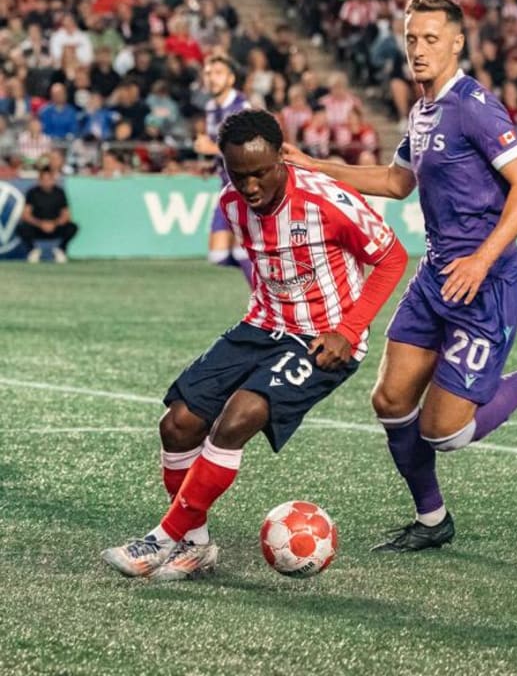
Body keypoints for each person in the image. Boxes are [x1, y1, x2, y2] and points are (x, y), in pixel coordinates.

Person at [283, 0, 517, 552]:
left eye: (431, 38)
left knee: (446, 431)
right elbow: (395, 181)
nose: (419, 49)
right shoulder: (423, 110)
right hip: (435, 277)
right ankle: (432, 520)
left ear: (457, 42)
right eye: (412, 39)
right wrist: (315, 167)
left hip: (486, 283)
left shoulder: (475, 106)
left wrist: (481, 259)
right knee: (389, 402)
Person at [101, 109, 407, 581]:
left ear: (282, 159)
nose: (249, 186)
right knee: (178, 424)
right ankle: (196, 545)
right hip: (261, 326)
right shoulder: (231, 203)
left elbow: (392, 258)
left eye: (261, 173)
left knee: (239, 415)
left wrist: (348, 331)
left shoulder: (326, 200)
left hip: (323, 339)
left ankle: (161, 538)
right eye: (238, 174)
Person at [193, 55, 253, 284]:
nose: (212, 78)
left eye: (218, 73)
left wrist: (211, 148)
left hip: (247, 185)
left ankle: (265, 296)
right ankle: (266, 273)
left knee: (241, 250)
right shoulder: (211, 108)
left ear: (231, 78)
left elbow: (248, 149)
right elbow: (222, 149)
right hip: (226, 184)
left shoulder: (242, 108)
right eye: (208, 73)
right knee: (218, 255)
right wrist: (212, 164)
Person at [16, 166, 79, 263]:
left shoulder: (59, 192)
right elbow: (25, 215)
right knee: (21, 227)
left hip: (55, 227)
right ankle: (33, 251)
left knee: (72, 227)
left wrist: (54, 224)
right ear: (39, 180)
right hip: (37, 227)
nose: (46, 182)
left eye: (49, 179)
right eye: (44, 179)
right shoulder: (32, 193)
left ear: (53, 180)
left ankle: (61, 250)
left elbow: (66, 215)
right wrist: (41, 224)